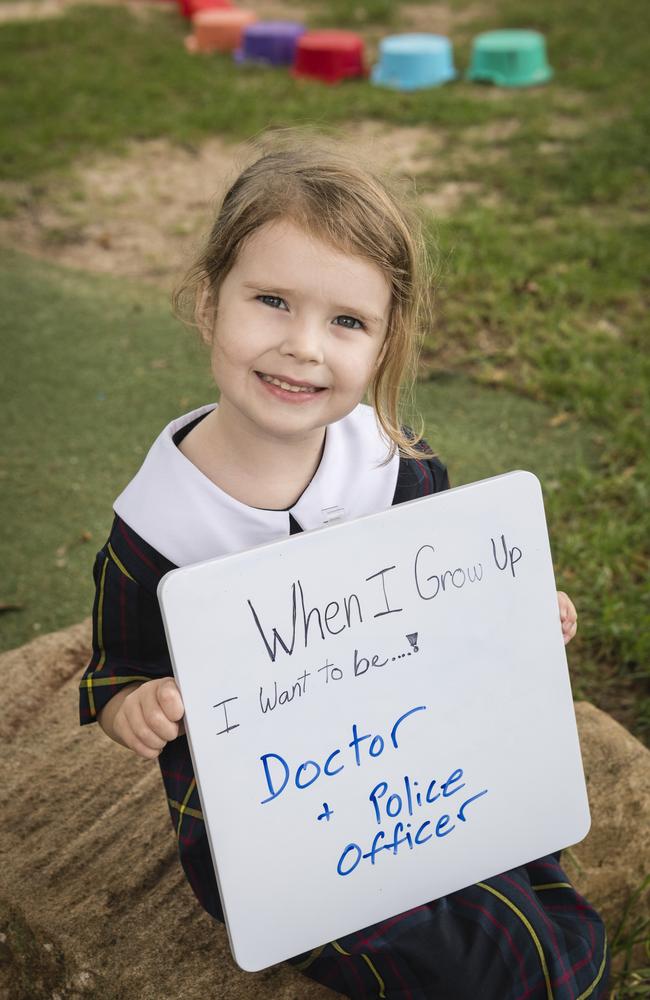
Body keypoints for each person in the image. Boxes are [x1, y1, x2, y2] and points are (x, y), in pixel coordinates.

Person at [79, 134, 608, 999]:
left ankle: (538, 944)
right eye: (273, 301)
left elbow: (454, 595)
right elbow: (118, 676)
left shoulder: (393, 462)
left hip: (418, 754)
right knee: (461, 961)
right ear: (210, 303)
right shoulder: (155, 530)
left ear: (385, 341)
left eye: (347, 322)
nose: (304, 347)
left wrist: (516, 611)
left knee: (517, 871)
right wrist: (140, 708)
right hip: (277, 817)